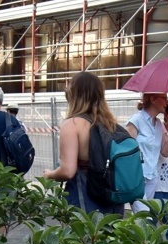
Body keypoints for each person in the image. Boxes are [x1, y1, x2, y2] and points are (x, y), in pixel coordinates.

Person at [42, 71, 125, 215]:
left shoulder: (73, 124)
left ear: (75, 94)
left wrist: (49, 175)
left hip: (85, 201)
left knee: (83, 237)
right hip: (113, 200)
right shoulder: (111, 124)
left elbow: (68, 171)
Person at [126, 92, 168, 211]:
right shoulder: (137, 120)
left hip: (152, 177)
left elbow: (165, 152)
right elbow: (126, 149)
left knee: (146, 217)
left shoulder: (159, 124)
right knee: (144, 217)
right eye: (164, 98)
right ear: (153, 99)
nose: (167, 102)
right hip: (137, 177)